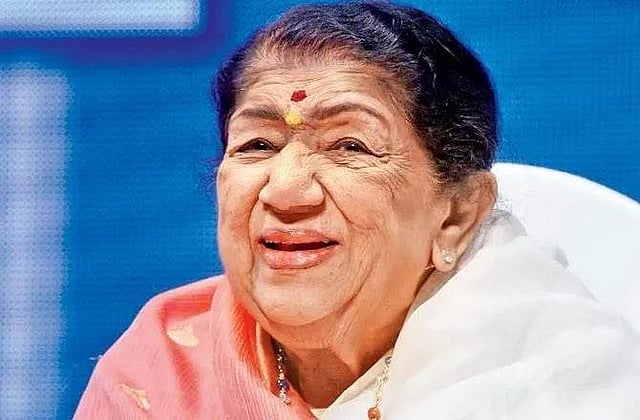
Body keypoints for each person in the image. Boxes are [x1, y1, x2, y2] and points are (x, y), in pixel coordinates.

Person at [74, 2, 640, 419]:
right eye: (258, 145)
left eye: (350, 146)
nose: (286, 191)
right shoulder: (165, 368)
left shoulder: (556, 380)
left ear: (456, 217)